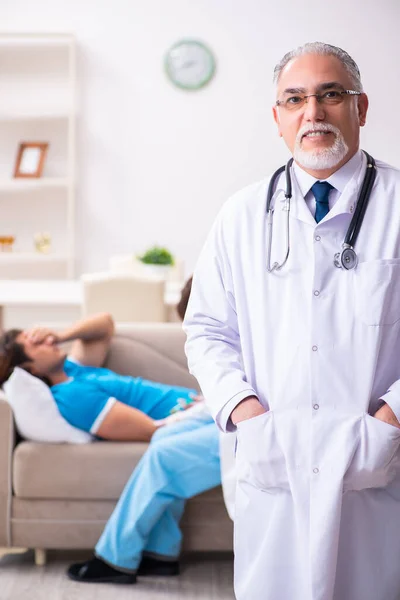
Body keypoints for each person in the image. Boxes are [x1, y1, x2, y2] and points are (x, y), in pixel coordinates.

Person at [183, 42, 400, 600]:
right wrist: (244, 410)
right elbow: (206, 329)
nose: (314, 112)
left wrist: (392, 418)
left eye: (331, 94)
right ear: (277, 117)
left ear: (362, 106)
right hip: (272, 458)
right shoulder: (240, 215)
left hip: (377, 466)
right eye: (295, 99)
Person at [0, 313, 203, 441]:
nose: (48, 341)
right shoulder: (72, 397)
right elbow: (151, 430)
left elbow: (104, 323)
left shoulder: (72, 369)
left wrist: (61, 336)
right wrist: (197, 412)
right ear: (30, 369)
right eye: (36, 344)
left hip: (201, 407)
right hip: (195, 417)